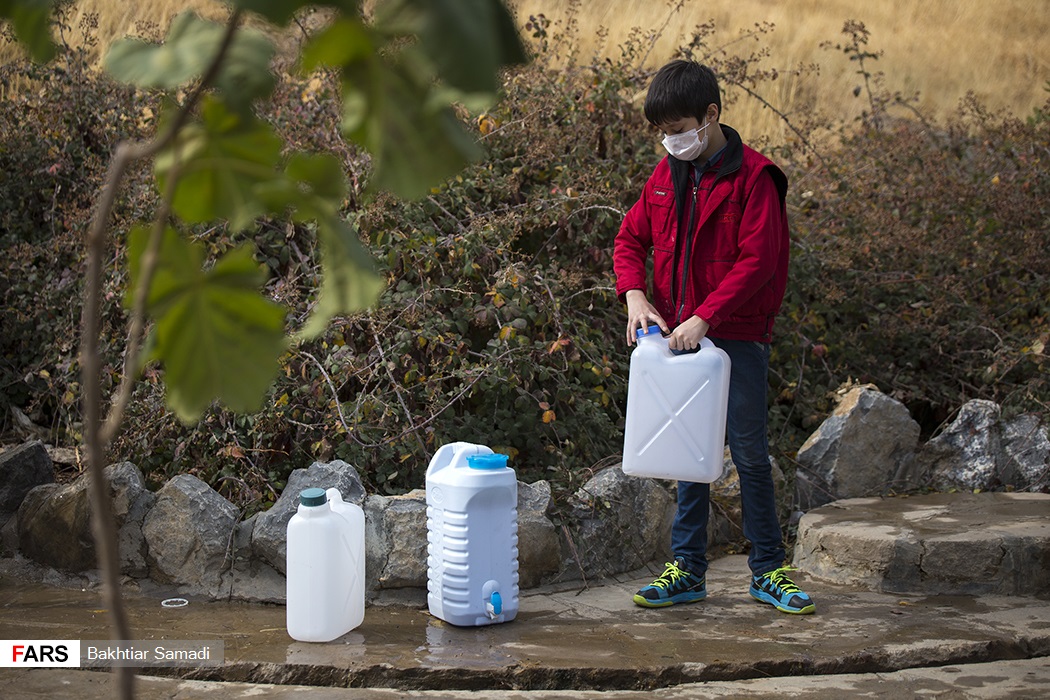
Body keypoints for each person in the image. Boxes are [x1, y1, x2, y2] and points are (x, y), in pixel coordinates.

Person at [613, 59, 814, 615]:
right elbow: (630, 240)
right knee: (687, 455)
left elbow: (759, 261)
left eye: (679, 129)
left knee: (748, 453)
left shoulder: (756, 178)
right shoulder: (665, 177)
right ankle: (686, 571)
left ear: (711, 115)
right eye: (663, 132)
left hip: (737, 338)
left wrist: (706, 317)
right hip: (678, 341)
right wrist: (633, 294)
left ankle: (769, 570)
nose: (670, 141)